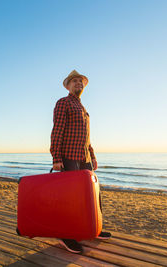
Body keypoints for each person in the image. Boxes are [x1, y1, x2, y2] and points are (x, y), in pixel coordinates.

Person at [50, 70, 112, 254]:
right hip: (69, 156)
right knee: (69, 198)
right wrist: (56, 158)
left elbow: (87, 138)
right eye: (75, 81)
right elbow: (57, 131)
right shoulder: (63, 103)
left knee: (90, 195)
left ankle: (93, 228)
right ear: (68, 85)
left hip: (84, 158)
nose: (79, 83)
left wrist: (92, 156)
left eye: (81, 81)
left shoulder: (84, 110)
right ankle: (65, 235)